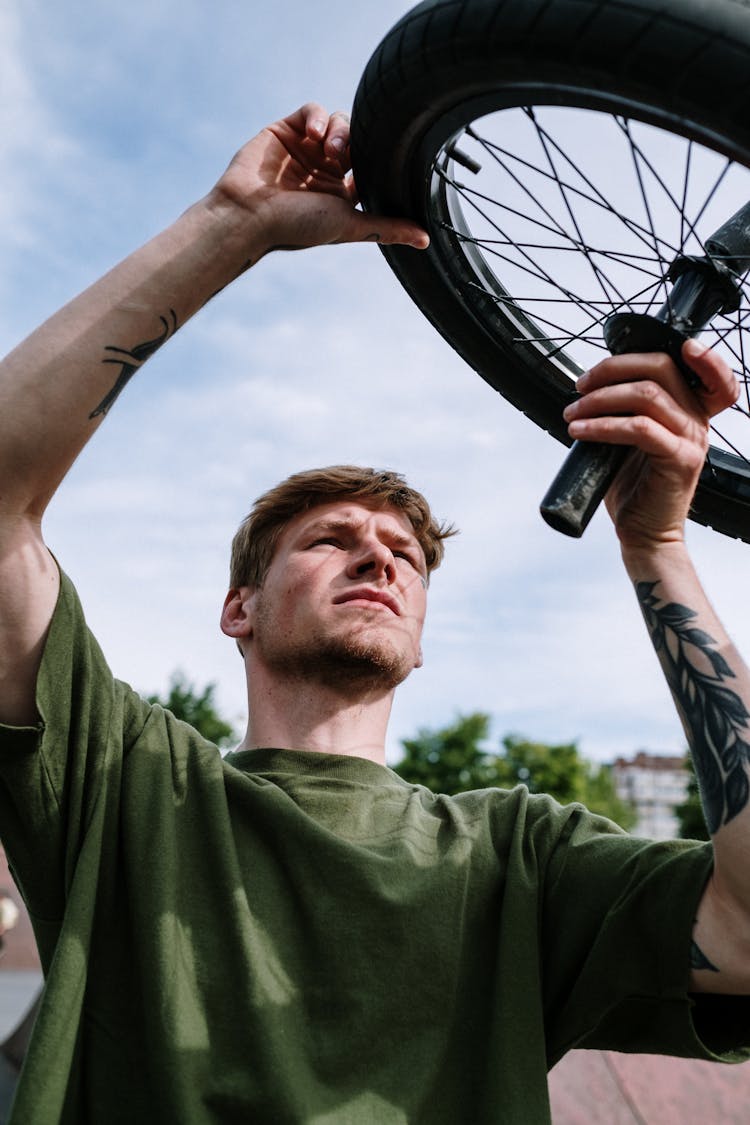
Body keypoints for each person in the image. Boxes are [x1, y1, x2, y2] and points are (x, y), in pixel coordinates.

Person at [0, 102, 748, 1124]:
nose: (378, 557)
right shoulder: (130, 789)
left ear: (422, 638)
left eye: (404, 554)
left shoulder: (519, 858)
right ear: (239, 610)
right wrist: (233, 223)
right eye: (329, 540)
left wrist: (657, 545)